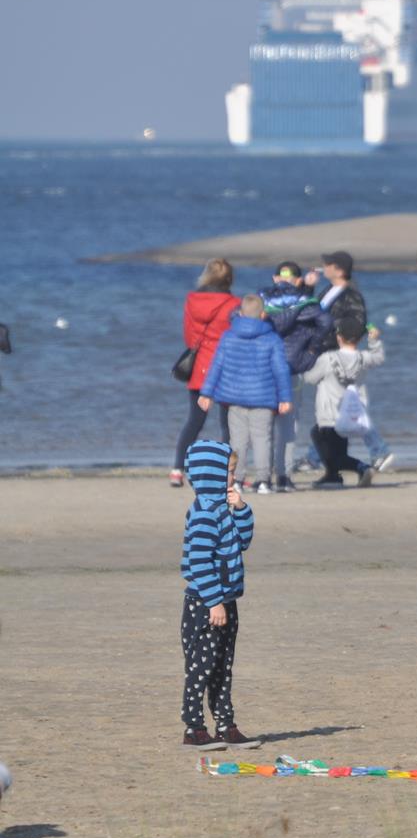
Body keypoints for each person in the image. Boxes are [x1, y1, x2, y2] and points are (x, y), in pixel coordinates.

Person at [177, 439, 261, 750]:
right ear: (210, 473)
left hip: (226, 600)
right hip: (204, 603)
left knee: (223, 666)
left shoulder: (223, 509)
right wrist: (214, 602)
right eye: (229, 471)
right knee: (201, 667)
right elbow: (199, 562)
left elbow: (242, 542)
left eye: (234, 471)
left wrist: (241, 510)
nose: (233, 477)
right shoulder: (204, 513)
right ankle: (193, 728)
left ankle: (225, 724)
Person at [197, 294, 292, 493]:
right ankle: (263, 480)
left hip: (235, 397)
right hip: (263, 398)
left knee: (237, 440)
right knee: (262, 439)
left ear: (240, 313)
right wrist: (285, 397)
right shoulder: (272, 339)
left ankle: (237, 481)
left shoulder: (228, 336)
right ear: (263, 314)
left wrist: (206, 393)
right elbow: (280, 370)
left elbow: (217, 365)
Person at [314, 251, 394, 472]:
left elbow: (358, 323)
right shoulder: (327, 290)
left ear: (339, 270)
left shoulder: (352, 295)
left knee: (346, 407)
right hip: (326, 354)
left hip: (341, 357)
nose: (324, 267)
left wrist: (336, 336)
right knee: (331, 407)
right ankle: (316, 455)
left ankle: (379, 450)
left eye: (328, 264)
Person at [173, 259, 241, 487]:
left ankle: (177, 469)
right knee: (229, 424)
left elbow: (189, 337)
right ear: (229, 279)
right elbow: (236, 336)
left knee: (194, 421)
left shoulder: (192, 300)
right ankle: (228, 473)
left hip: (200, 367)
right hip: (226, 368)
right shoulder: (234, 304)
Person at [262, 263, 330, 491]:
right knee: (288, 425)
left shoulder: (263, 298)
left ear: (275, 278)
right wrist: (312, 348)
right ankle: (283, 475)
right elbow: (325, 321)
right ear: (299, 280)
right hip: (293, 366)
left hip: (266, 367)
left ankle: (263, 476)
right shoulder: (304, 302)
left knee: (262, 425)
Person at [303, 316, 384, 488]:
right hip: (349, 414)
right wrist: (374, 340)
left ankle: (360, 468)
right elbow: (378, 357)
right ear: (359, 339)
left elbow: (310, 378)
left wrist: (308, 357)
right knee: (338, 450)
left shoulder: (328, 358)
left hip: (329, 415)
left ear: (339, 337)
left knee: (327, 447)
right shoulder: (363, 358)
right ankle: (333, 476)